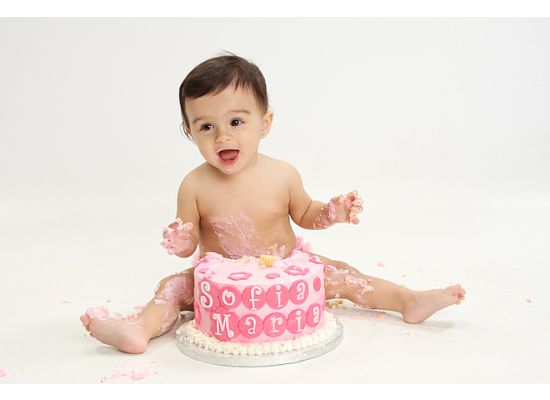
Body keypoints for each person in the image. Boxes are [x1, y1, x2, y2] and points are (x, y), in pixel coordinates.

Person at [80, 53, 466, 354]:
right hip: (224, 283)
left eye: (236, 122)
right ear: (189, 132)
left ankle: (408, 301)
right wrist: (181, 241)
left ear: (264, 124)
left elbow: (306, 214)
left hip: (286, 270)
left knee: (344, 275)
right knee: (174, 287)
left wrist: (331, 212)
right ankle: (139, 330)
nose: (222, 136)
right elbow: (189, 243)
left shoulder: (282, 174)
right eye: (206, 126)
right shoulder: (194, 185)